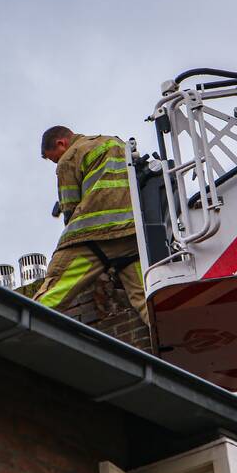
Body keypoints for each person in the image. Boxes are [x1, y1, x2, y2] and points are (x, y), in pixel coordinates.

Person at [33, 126, 149, 326]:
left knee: (53, 292)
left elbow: (70, 208)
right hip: (133, 236)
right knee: (146, 300)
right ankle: (179, 344)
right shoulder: (116, 142)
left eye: (54, 158)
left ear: (61, 143)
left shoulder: (70, 157)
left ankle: (16, 333)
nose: (57, 163)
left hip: (93, 238)